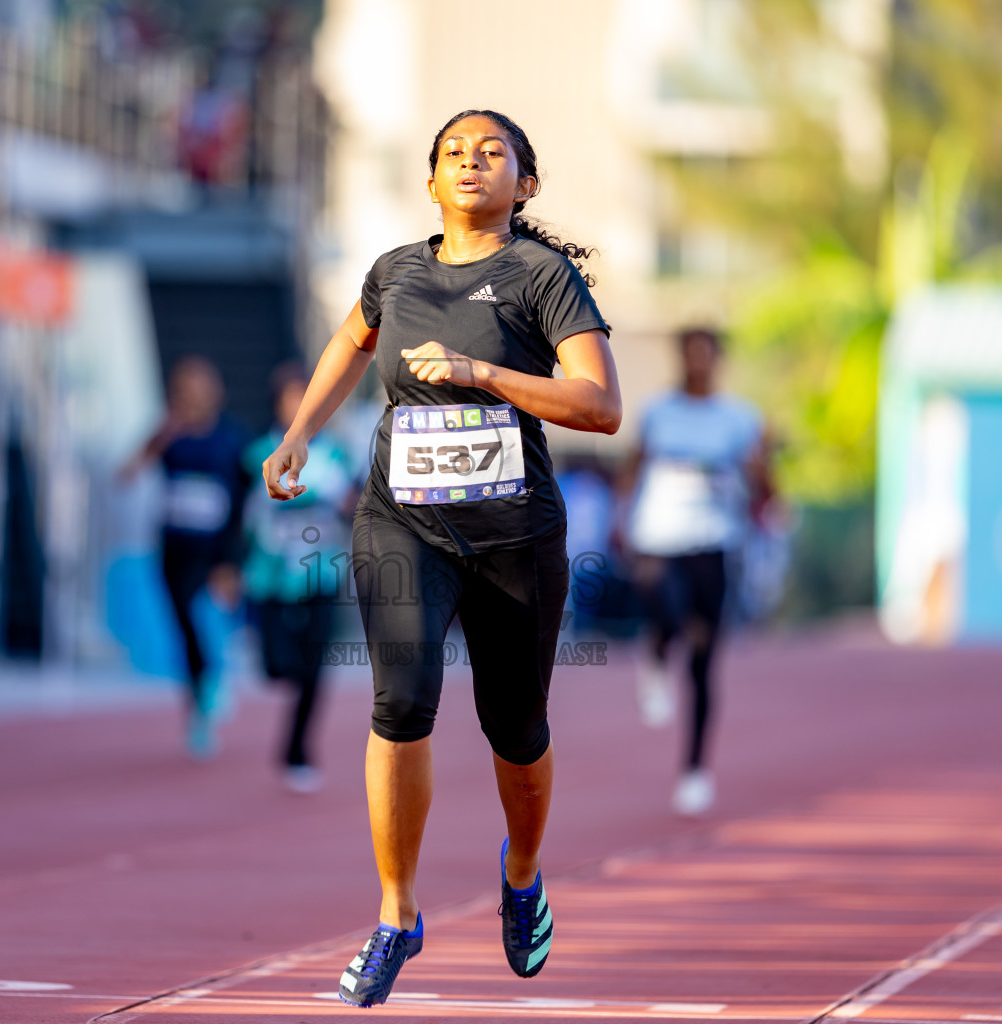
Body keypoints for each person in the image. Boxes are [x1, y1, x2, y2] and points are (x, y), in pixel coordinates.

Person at [260, 110, 621, 1006]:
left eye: (491, 153)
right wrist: (301, 432)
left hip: (515, 535)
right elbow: (351, 339)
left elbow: (600, 406)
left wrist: (484, 373)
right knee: (401, 701)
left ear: (524, 185)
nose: (470, 163)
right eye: (453, 153)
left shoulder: (543, 276)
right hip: (403, 524)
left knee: (516, 727)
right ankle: (396, 916)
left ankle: (524, 871)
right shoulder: (397, 271)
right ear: (430, 183)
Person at [622, 327, 773, 816]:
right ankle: (656, 656)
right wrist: (619, 518)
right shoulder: (659, 412)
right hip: (658, 535)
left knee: (705, 658)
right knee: (665, 610)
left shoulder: (739, 418)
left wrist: (761, 465)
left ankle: (694, 770)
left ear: (719, 360)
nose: (699, 364)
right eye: (691, 355)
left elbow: (764, 486)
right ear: (681, 358)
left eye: (707, 356)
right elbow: (633, 465)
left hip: (714, 539)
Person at [121, 357, 249, 758]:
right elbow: (127, 471)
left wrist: (232, 560)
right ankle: (199, 709)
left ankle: (216, 680)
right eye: (187, 385)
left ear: (216, 391)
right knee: (182, 628)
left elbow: (243, 502)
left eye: (202, 384)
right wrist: (160, 436)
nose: (195, 393)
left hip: (214, 549)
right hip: (174, 545)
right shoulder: (168, 432)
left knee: (207, 618)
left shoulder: (232, 438)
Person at [240, 363, 354, 794]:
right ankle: (284, 680)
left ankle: (298, 749)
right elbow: (240, 516)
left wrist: (349, 504)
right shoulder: (255, 456)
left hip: (321, 573)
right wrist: (230, 565)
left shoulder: (337, 456)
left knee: (315, 667)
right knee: (276, 666)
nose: (298, 408)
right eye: (290, 399)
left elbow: (356, 503)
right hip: (269, 575)